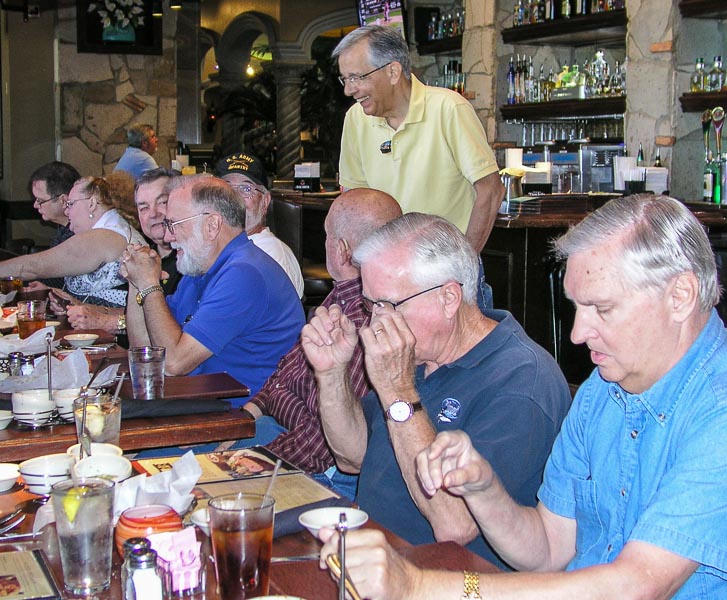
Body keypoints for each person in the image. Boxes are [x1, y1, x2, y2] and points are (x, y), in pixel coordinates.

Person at [318, 195, 727, 599]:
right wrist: (485, 490)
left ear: (680, 296)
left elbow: (635, 586)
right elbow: (548, 547)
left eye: (601, 308)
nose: (576, 333)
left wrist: (420, 586)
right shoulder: (602, 392)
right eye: (576, 307)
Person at [303, 212, 571, 567]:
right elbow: (351, 457)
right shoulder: (418, 354)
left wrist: (398, 392)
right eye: (371, 305)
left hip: (448, 579)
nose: (376, 322)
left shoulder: (522, 383)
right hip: (371, 558)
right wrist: (332, 373)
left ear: (449, 298)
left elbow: (455, 523)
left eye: (390, 305)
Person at [239, 188, 403, 499]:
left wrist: (246, 461)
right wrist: (248, 415)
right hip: (269, 427)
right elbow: (284, 371)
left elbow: (319, 448)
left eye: (327, 236)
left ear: (341, 250)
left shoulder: (367, 315)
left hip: (307, 467)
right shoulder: (341, 293)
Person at [121, 175, 305, 407]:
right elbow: (146, 353)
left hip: (241, 423)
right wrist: (135, 282)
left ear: (212, 225)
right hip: (200, 405)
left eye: (174, 225)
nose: (168, 237)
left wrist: (149, 284)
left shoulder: (245, 275)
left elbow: (175, 363)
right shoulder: (200, 269)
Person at [333, 25, 504, 254]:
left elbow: (491, 190)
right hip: (385, 267)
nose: (348, 90)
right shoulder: (356, 118)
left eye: (356, 77)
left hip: (442, 266)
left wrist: (464, 261)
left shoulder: (449, 108)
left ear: (393, 72)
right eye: (344, 79)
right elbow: (353, 200)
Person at [61, 168, 183, 332]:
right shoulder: (143, 253)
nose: (153, 214)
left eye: (162, 202)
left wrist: (106, 323)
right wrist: (79, 305)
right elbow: (133, 312)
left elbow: (176, 324)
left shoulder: (191, 261)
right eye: (143, 207)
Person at [0, 175, 146, 307]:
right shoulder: (115, 227)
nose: (66, 211)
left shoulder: (102, 237)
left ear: (92, 204)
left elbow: (32, 267)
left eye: (70, 204)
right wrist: (53, 291)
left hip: (116, 331)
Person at [216, 152, 303, 297]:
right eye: (227, 188)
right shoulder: (228, 249)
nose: (235, 198)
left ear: (265, 201)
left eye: (246, 189)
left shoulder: (269, 254)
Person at [28, 161, 81, 289]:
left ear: (63, 200)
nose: (35, 205)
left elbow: (62, 280)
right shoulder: (63, 227)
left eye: (40, 200)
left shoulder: (78, 233)